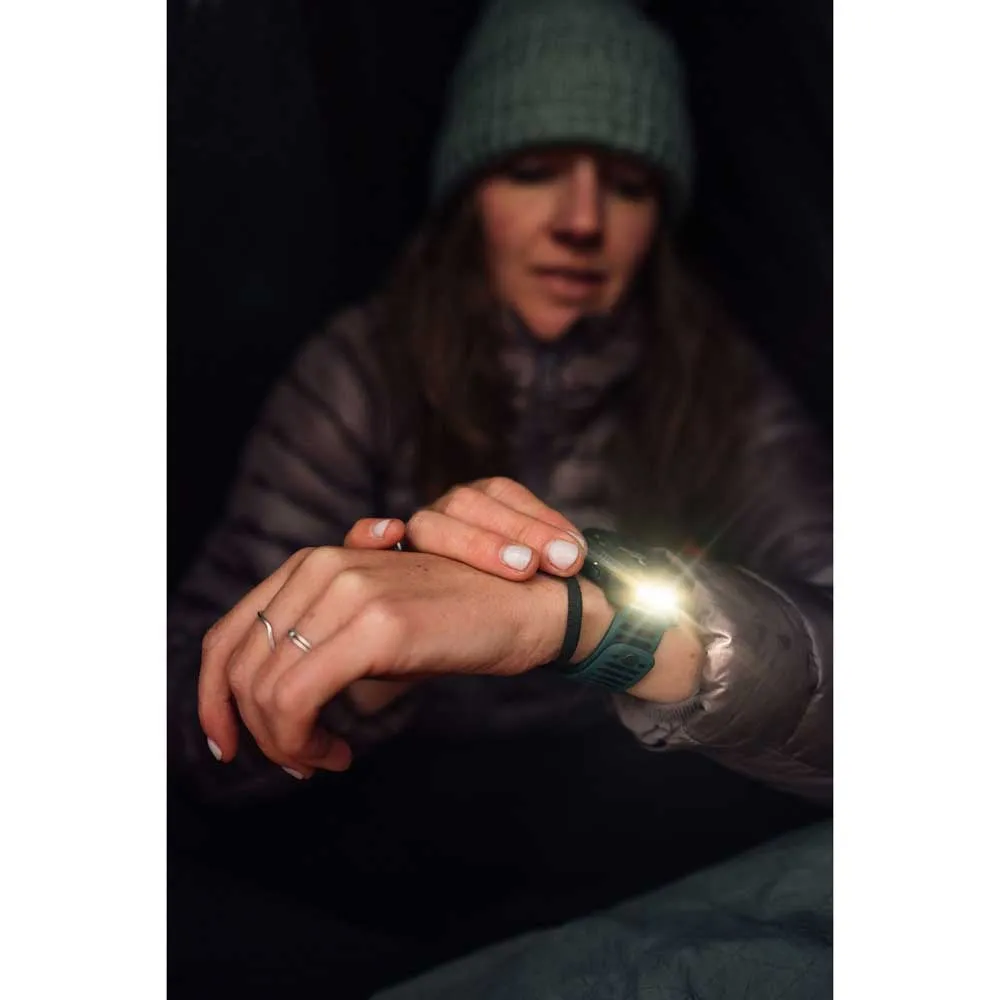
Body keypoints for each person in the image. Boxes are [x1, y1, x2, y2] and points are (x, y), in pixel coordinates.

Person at [169, 0, 830, 991]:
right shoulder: (360, 374)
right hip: (392, 840)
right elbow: (184, 726)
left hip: (636, 821)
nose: (580, 220)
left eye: (627, 184)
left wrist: (602, 620)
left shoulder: (719, 384)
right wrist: (357, 679)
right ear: (470, 188)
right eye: (534, 170)